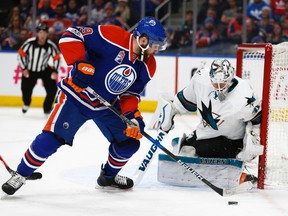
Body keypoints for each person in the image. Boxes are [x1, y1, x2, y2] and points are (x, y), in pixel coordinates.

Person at [1, 16, 167, 195]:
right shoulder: (112, 36)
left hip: (105, 105)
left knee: (129, 143)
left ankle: (107, 178)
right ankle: (21, 174)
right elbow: (71, 34)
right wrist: (79, 62)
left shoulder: (149, 65)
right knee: (52, 138)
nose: (156, 50)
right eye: (155, 45)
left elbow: (130, 94)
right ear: (143, 39)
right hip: (76, 95)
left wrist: (131, 116)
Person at [151, 59, 264, 183]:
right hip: (204, 134)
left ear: (231, 77)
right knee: (185, 149)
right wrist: (170, 111)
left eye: (224, 83)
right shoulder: (201, 79)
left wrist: (251, 144)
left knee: (198, 149)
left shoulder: (244, 94)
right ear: (210, 77)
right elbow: (183, 103)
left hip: (231, 141)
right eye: (216, 83)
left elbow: (257, 122)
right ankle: (193, 145)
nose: (220, 88)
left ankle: (236, 172)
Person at [18, 22, 60, 115]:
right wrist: (24, 68)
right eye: (40, 32)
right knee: (25, 90)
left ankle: (47, 108)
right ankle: (26, 103)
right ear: (37, 33)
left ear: (47, 34)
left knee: (52, 90)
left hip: (44, 70)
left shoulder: (50, 46)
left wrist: (55, 71)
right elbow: (21, 54)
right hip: (30, 69)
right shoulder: (29, 43)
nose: (42, 35)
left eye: (44, 33)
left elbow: (57, 58)